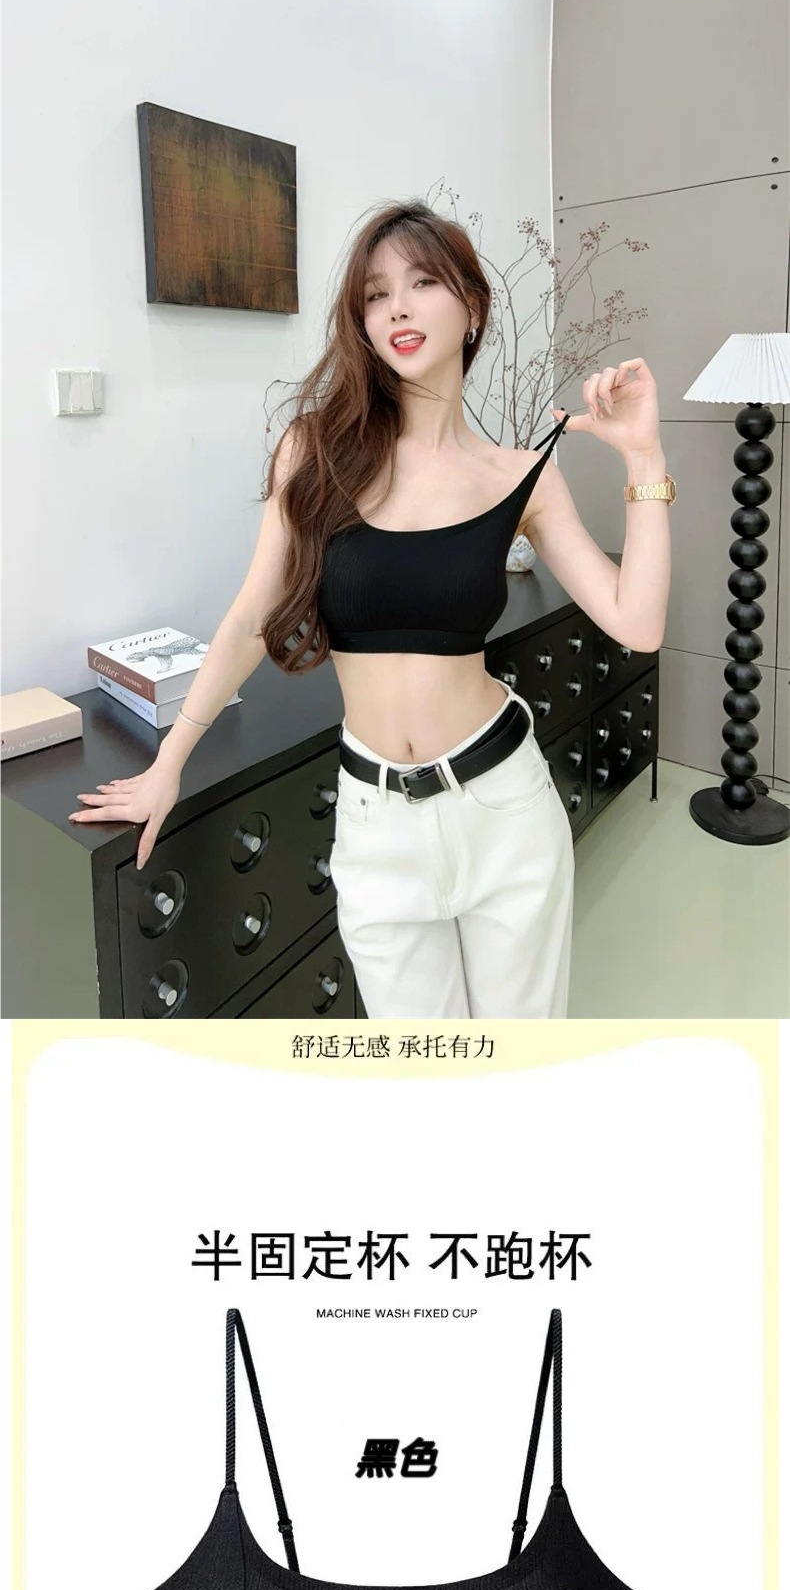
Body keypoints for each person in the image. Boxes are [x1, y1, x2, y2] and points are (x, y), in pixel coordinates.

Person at [71, 199, 674, 1027]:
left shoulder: (520, 477)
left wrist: (644, 455)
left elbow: (638, 624)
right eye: (375, 294)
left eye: (422, 283)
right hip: (375, 823)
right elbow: (250, 618)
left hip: (504, 808)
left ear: (471, 306)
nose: (396, 308)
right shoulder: (314, 451)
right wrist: (167, 764)